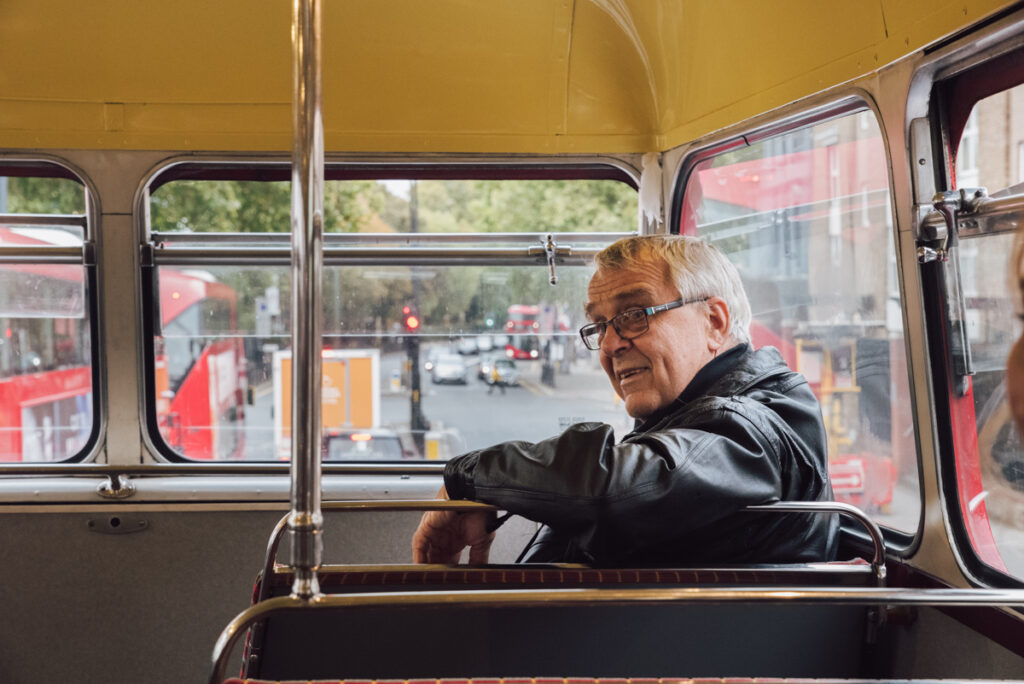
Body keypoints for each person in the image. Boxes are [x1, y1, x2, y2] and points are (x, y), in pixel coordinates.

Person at [412, 234, 838, 566]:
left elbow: (611, 489)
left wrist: (467, 477)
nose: (611, 344)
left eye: (635, 315)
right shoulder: (680, 420)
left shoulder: (756, 424)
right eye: (599, 325)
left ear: (714, 322)